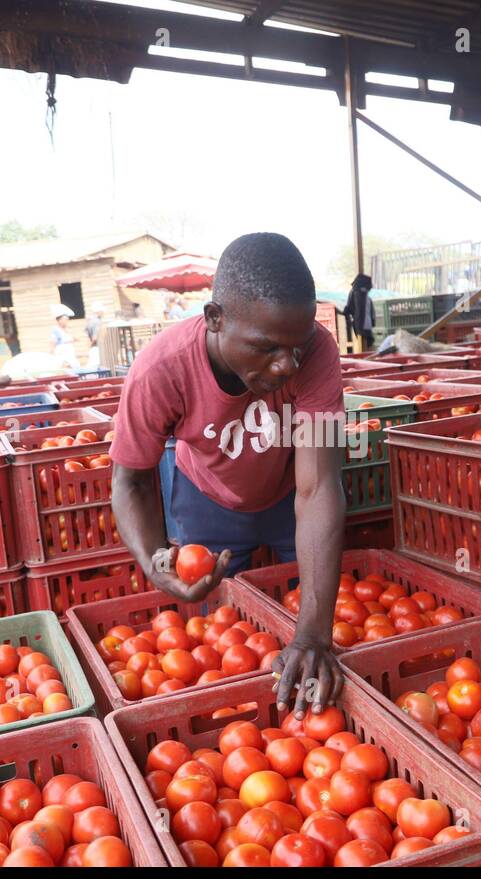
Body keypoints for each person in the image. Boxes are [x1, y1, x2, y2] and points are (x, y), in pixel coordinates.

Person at [111, 232, 346, 716]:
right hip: (206, 496)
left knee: (302, 612)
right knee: (216, 631)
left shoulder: (317, 353)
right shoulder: (162, 367)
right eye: (266, 348)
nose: (286, 364)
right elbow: (131, 478)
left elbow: (319, 485)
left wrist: (313, 635)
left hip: (289, 495)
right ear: (215, 319)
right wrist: (155, 561)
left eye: (296, 346)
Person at [343, 273, 375, 352]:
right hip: (363, 325)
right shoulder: (359, 294)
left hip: (362, 325)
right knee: (366, 345)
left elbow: (349, 308)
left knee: (366, 345)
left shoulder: (359, 294)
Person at [50, 303, 79, 368]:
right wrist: (52, 355)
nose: (67, 321)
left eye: (67, 319)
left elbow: (75, 338)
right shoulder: (56, 330)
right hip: (62, 355)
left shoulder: (67, 330)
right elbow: (53, 343)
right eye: (65, 319)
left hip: (70, 354)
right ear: (59, 320)